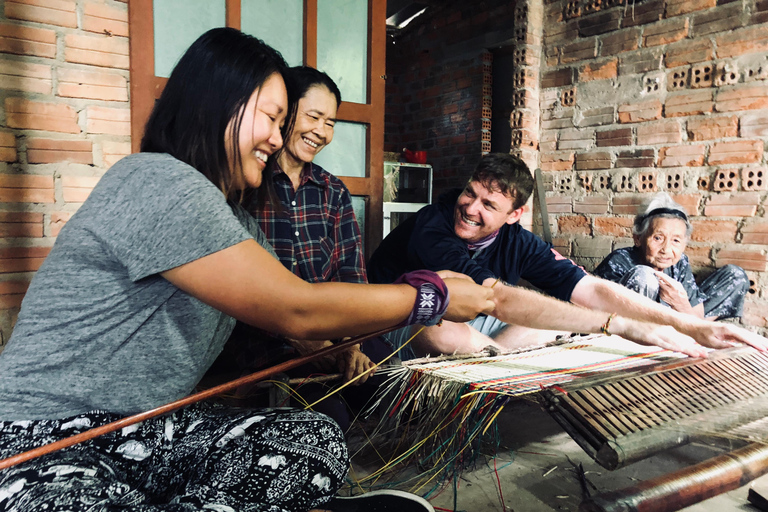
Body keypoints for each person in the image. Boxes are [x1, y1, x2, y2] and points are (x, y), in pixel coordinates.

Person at [0, 28, 495, 512]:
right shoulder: (159, 180)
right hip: (41, 438)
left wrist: (335, 348)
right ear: (218, 102)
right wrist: (432, 297)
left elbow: (298, 297)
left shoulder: (234, 215)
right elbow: (296, 308)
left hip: (144, 433)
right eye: (273, 118)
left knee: (313, 443)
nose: (279, 139)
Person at [368, 152, 768, 360]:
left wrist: (689, 326)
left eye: (488, 204)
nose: (470, 207)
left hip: (476, 327)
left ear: (516, 215)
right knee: (441, 328)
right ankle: (498, 361)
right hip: (399, 320)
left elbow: (590, 288)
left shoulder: (519, 242)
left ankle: (495, 361)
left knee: (554, 315)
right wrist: (619, 326)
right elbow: (496, 298)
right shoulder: (432, 226)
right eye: (469, 193)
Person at [594, 192, 749, 320]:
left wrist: (681, 304)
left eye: (676, 240)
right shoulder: (619, 261)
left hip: (671, 318)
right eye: (658, 238)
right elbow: (599, 311)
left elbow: (697, 313)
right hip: (630, 323)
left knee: (735, 276)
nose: (666, 249)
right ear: (638, 238)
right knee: (645, 275)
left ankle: (689, 330)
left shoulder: (679, 262)